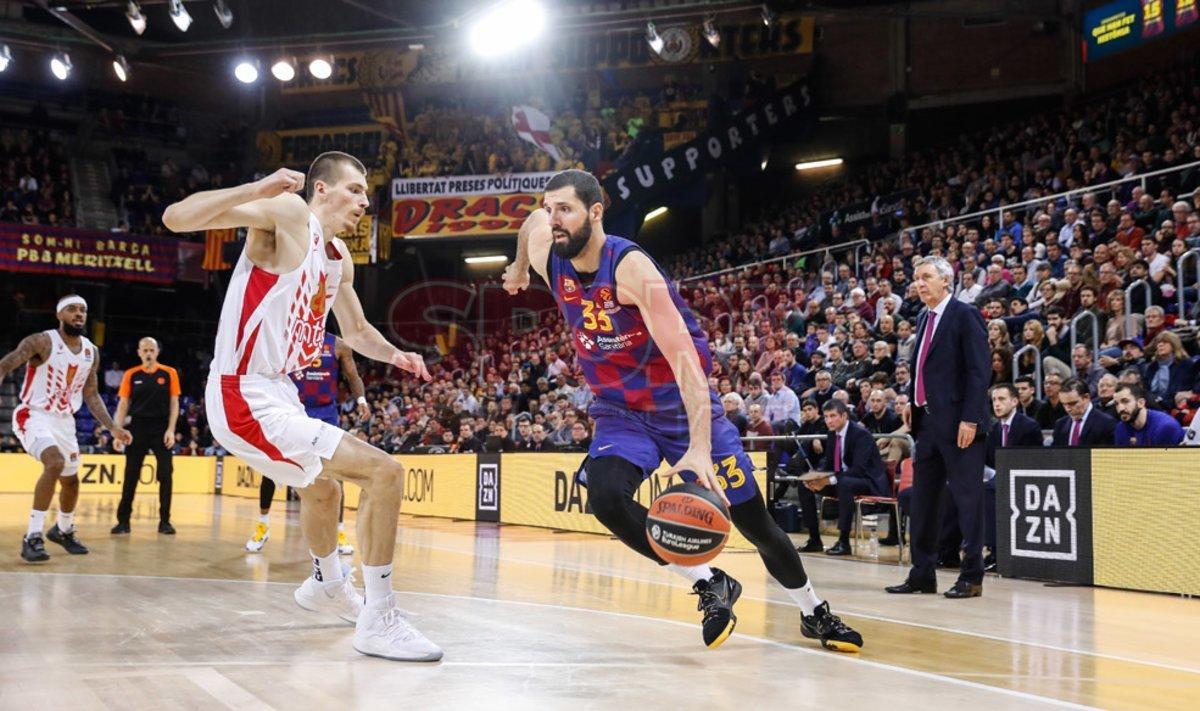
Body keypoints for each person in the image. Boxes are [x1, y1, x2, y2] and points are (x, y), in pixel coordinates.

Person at [502, 169, 861, 652]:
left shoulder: (632, 270)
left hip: (679, 405)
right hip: (620, 410)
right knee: (606, 498)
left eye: (563, 209)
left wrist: (697, 447)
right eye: (550, 209)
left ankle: (814, 612)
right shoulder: (552, 250)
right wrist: (523, 266)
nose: (553, 218)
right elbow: (530, 225)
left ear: (595, 212)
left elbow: (686, 361)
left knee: (757, 525)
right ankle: (710, 582)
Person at [162, 151, 442, 661]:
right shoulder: (289, 214)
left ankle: (326, 584)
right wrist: (260, 186)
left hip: (279, 391)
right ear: (321, 189)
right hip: (242, 391)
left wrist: (395, 353)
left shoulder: (338, 257)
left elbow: (356, 331)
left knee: (322, 489)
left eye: (365, 192)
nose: (363, 200)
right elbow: (177, 217)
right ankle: (379, 618)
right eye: (354, 189)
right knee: (385, 474)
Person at [887, 256, 990, 599]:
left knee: (967, 499)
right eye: (916, 278)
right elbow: (923, 368)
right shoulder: (922, 316)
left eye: (926, 276)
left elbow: (979, 371)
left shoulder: (965, 314)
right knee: (924, 499)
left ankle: (972, 575)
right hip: (926, 422)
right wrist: (911, 401)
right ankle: (922, 573)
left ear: (946, 280)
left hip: (960, 422)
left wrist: (971, 418)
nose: (919, 283)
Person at [0, 295, 132, 562]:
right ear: (59, 314)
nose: (79, 314)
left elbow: (92, 395)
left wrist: (113, 427)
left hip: (64, 421)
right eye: (72, 309)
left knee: (71, 481)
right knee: (55, 463)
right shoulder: (42, 341)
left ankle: (63, 529)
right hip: (33, 414)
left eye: (83, 310)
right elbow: (6, 364)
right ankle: (32, 536)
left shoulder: (90, 351)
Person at [246, 332, 369, 554]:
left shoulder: (338, 345)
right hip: (292, 409)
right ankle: (262, 524)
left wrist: (361, 400)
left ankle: (339, 531)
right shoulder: (287, 341)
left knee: (335, 473)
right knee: (273, 469)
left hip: (325, 413)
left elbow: (353, 376)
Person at [795, 399, 888, 555]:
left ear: (844, 416)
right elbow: (829, 464)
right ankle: (814, 539)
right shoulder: (832, 434)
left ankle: (844, 542)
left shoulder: (861, 434)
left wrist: (828, 480)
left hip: (867, 482)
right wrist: (816, 477)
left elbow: (859, 469)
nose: (829, 421)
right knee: (805, 485)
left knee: (844, 483)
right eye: (826, 417)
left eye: (833, 416)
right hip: (844, 479)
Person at [111, 337, 180, 535]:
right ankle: (123, 521)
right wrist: (118, 431)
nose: (148, 353)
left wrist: (171, 430)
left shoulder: (169, 373)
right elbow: (123, 405)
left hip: (161, 428)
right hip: (137, 428)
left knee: (166, 474)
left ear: (157, 351)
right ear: (139, 352)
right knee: (130, 475)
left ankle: (165, 521)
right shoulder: (131, 374)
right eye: (145, 350)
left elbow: (174, 403)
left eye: (152, 349)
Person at [981, 384, 1042, 571]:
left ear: (1015, 401)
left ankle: (996, 551)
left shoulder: (1029, 426)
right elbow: (986, 460)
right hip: (997, 479)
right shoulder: (992, 428)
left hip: (1025, 480)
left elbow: (1034, 461)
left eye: (1001, 400)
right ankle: (949, 550)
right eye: (994, 400)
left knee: (989, 490)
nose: (997, 405)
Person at [1112, 383, 1185, 446]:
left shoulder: (1166, 427)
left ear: (1141, 403)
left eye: (1125, 401)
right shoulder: (1120, 428)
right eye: (1116, 404)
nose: (1120, 408)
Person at [1052, 378, 1117, 446]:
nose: (1068, 409)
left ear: (1086, 397)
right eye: (1064, 404)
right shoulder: (1060, 425)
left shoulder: (1106, 423)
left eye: (1072, 403)